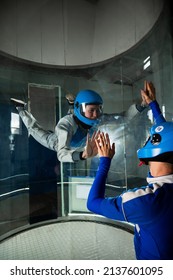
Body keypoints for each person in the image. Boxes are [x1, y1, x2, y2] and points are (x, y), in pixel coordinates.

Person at [87, 81, 173, 260]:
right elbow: (167, 138)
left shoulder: (146, 202)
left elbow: (93, 203)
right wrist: (152, 104)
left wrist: (104, 161)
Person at [11, 89, 146, 163]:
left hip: (78, 139)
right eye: (91, 110)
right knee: (34, 130)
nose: (95, 115)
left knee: (77, 117)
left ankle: (72, 104)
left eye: (98, 109)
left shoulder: (99, 118)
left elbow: (124, 117)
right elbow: (62, 154)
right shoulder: (65, 124)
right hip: (56, 142)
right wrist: (82, 155)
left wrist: (143, 104)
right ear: (81, 109)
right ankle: (20, 108)